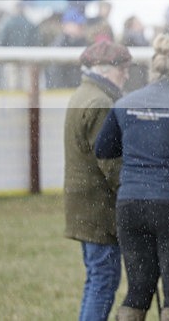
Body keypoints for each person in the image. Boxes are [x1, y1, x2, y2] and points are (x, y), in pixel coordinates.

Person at [95, 34, 169, 321]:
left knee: (138, 290)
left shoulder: (125, 103)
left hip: (132, 205)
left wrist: (139, 144)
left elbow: (103, 148)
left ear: (153, 70)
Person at [64, 40, 131, 321]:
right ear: (105, 69)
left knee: (96, 278)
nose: (126, 75)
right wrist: (133, 191)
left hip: (86, 205)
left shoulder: (84, 94)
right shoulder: (101, 103)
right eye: (122, 69)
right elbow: (111, 162)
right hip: (99, 208)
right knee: (103, 281)